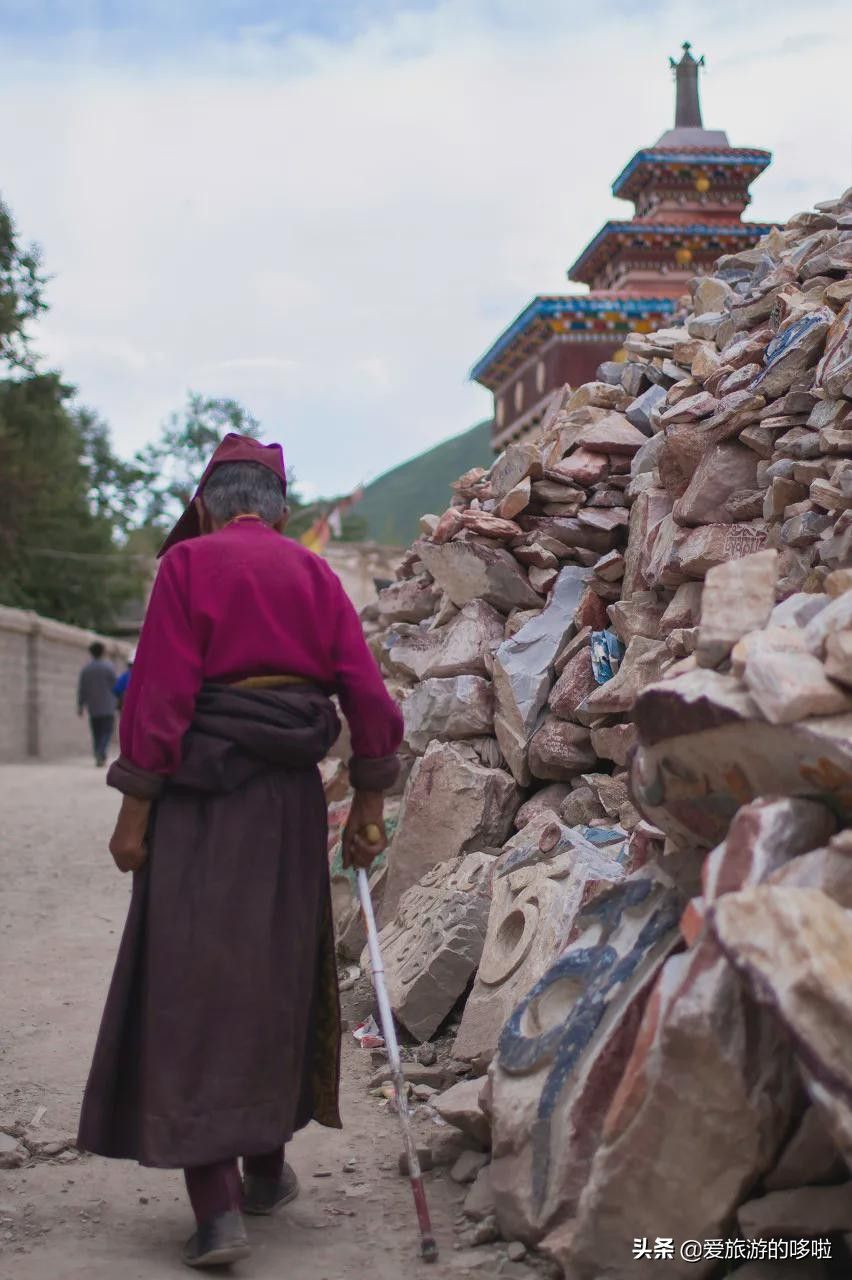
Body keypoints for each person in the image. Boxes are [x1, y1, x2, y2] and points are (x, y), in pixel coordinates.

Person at [77, 434, 403, 1270]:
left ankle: (220, 1207)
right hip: (288, 811)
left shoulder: (187, 569)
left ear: (205, 505)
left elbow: (159, 692)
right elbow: (365, 690)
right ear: (282, 508)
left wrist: (133, 813)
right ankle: (264, 1170)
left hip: (198, 807)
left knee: (193, 984)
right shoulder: (313, 575)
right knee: (276, 975)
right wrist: (368, 800)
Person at [77, 641, 118, 766]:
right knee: (107, 731)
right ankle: (101, 751)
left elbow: (82, 689)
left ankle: (97, 752)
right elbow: (115, 686)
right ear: (103, 652)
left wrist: (80, 705)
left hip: (93, 707)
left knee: (96, 732)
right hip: (108, 706)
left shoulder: (86, 670)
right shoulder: (109, 667)